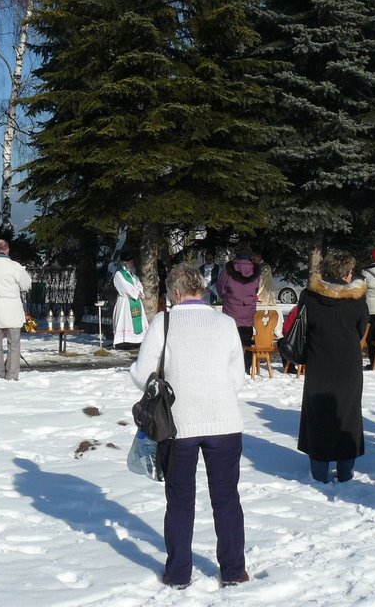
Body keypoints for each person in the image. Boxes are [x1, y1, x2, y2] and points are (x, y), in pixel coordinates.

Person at [129, 263, 247, 589]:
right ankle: (234, 570)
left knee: (180, 502)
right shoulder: (225, 322)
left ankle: (179, 574)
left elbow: (142, 375)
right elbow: (237, 377)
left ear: (177, 293)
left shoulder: (163, 323)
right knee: (226, 499)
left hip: (177, 425)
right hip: (224, 421)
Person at [296, 251, 369, 483]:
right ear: (347, 274)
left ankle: (319, 472)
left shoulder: (309, 296)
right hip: (348, 366)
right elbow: (361, 328)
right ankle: (345, 472)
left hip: (319, 363)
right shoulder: (356, 300)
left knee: (318, 416)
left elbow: (302, 327)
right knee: (347, 415)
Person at [0, 239, 33, 381]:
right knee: (13, 345)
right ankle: (12, 374)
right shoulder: (15, 267)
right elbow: (26, 285)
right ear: (7, 250)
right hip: (12, 310)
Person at [217, 243, 260, 372]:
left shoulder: (228, 271)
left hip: (231, 311)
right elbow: (256, 289)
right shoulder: (255, 271)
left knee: (231, 340)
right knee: (246, 339)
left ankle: (232, 366)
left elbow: (220, 289)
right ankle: (247, 365)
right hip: (248, 311)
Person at [112, 252, 148, 348]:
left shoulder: (132, 274)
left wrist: (139, 290)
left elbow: (138, 284)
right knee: (126, 321)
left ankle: (137, 341)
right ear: (124, 263)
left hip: (135, 300)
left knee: (135, 322)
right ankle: (123, 342)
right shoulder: (119, 274)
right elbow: (125, 288)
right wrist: (136, 292)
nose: (131, 264)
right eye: (129, 262)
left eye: (132, 262)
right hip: (125, 302)